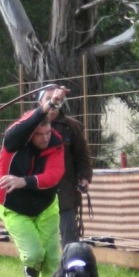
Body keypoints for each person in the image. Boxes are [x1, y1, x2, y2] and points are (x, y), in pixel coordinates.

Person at [0, 87, 66, 277]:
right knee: (35, 256)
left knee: (53, 259)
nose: (46, 138)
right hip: (14, 208)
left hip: (46, 206)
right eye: (40, 134)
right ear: (30, 133)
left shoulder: (56, 143)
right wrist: (46, 105)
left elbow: (54, 175)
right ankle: (29, 266)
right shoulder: (14, 141)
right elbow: (23, 126)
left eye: (48, 132)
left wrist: (24, 181)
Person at [38, 85, 93, 249]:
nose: (53, 105)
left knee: (70, 242)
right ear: (40, 102)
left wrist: (85, 178)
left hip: (65, 194)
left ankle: (72, 270)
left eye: (56, 100)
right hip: (36, 193)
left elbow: (82, 156)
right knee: (41, 243)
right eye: (47, 100)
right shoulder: (30, 126)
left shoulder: (72, 127)